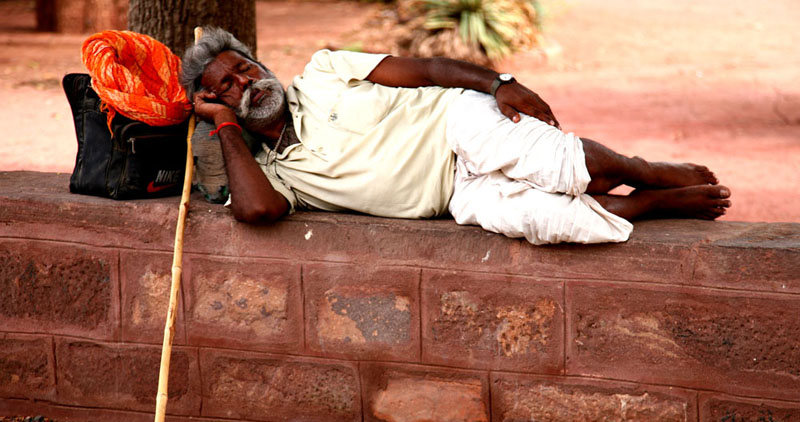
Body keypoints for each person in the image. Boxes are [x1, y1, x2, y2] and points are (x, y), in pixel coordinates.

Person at [181, 27, 731, 245]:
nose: (245, 84)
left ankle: (643, 170)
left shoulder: (324, 70)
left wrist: (499, 82)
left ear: (261, 63)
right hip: (451, 196)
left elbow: (424, 69)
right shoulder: (272, 174)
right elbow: (255, 213)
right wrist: (225, 127)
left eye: (245, 69)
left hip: (456, 125)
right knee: (548, 223)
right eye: (226, 88)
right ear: (215, 106)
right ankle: (654, 204)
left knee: (561, 168)